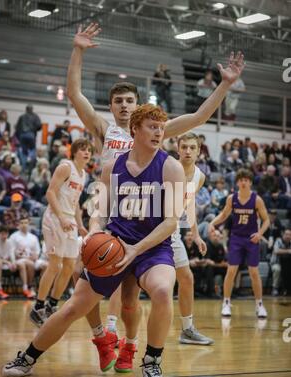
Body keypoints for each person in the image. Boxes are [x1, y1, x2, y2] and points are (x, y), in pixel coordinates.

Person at [66, 22, 245, 344]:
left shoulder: (153, 130)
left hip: (149, 215)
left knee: (163, 279)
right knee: (81, 275)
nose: (124, 105)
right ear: (111, 106)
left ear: (138, 106)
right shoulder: (104, 130)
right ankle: (102, 335)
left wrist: (224, 85)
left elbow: (198, 118)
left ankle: (147, 336)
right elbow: (74, 94)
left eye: (129, 100)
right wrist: (78, 50)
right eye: (118, 100)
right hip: (110, 212)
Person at [2, 104, 185, 377]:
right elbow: (98, 211)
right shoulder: (113, 167)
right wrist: (97, 231)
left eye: (161, 127)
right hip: (113, 245)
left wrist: (136, 249)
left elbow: (172, 221)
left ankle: (151, 361)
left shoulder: (171, 167)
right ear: (134, 129)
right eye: (152, 126)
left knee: (162, 291)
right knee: (72, 307)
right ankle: (27, 357)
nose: (158, 132)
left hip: (151, 248)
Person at [29, 138, 91, 327]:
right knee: (55, 264)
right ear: (74, 151)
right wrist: (62, 218)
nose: (87, 152)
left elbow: (76, 204)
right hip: (55, 218)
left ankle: (51, 305)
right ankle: (38, 307)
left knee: (70, 266)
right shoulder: (65, 167)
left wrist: (80, 224)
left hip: (70, 220)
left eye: (89, 150)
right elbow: (50, 193)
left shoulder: (84, 175)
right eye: (83, 149)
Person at [209, 169, 270, 318]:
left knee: (254, 272)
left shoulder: (257, 200)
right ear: (237, 182)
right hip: (236, 238)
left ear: (250, 182)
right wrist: (212, 223)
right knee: (231, 271)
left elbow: (266, 220)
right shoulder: (232, 198)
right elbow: (224, 215)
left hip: (251, 239)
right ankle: (226, 302)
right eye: (241, 180)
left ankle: (259, 305)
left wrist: (260, 233)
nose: (243, 182)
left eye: (246, 180)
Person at [171, 132, 214, 344]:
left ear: (199, 151)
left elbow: (189, 205)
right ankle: (112, 326)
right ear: (177, 149)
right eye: (184, 147)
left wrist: (196, 235)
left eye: (192, 148)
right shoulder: (167, 167)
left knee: (186, 278)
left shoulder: (200, 176)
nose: (187, 151)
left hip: (171, 232)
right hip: (148, 228)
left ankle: (187, 330)